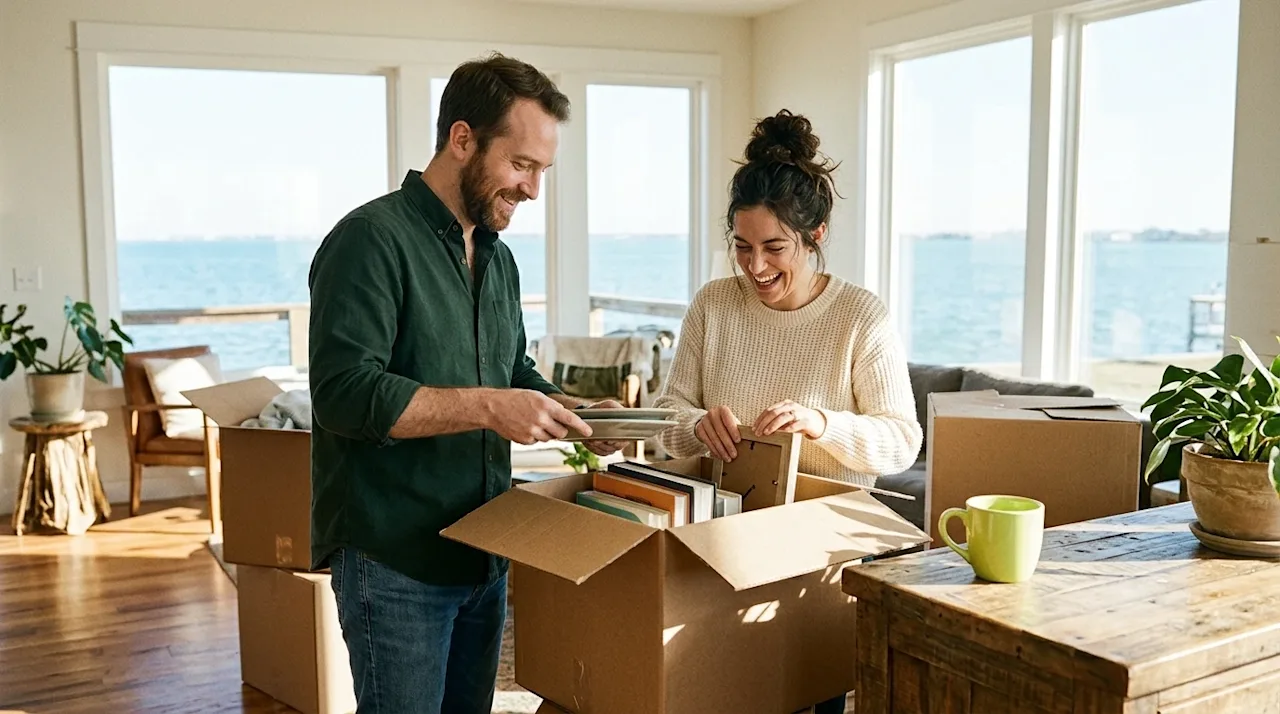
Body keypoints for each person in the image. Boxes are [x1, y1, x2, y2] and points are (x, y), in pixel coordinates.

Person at [307, 53, 626, 714]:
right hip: (394, 560)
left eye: (543, 171)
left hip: (485, 552)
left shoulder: (498, 260)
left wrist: (579, 412)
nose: (534, 190)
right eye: (522, 165)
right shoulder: (370, 240)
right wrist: (489, 407)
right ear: (461, 140)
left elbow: (513, 375)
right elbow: (344, 395)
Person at [653, 109, 922, 714]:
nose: (755, 267)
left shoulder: (860, 317)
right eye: (741, 247)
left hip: (821, 558)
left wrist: (823, 422)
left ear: (816, 234)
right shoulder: (713, 305)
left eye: (775, 247)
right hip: (723, 546)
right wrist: (694, 425)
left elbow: (903, 440)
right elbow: (668, 414)